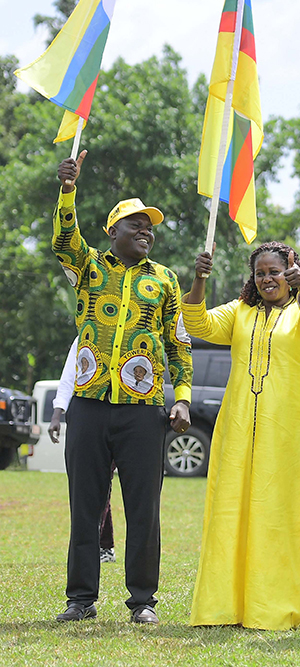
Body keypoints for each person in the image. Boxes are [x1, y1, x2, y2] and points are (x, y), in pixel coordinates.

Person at [52, 152, 192, 625]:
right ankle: (80, 598)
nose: (146, 231)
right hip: (89, 405)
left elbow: (179, 347)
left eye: (150, 226)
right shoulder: (90, 268)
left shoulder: (165, 280)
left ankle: (143, 601)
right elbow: (63, 241)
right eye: (136, 224)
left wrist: (184, 399)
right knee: (86, 505)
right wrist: (68, 190)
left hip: (143, 410)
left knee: (143, 509)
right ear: (113, 231)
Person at [183, 242, 300, 630]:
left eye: (275, 272)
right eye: (260, 273)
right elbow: (198, 324)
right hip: (237, 429)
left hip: (288, 432)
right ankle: (222, 606)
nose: (267, 279)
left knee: (279, 513)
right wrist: (199, 281)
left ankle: (272, 607)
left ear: (290, 273)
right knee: (230, 511)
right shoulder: (240, 312)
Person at [49, 338, 117, 564]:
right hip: (91, 417)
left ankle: (104, 545)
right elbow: (69, 376)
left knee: (104, 486)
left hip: (129, 417)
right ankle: (100, 546)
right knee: (93, 486)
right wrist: (57, 414)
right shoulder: (85, 336)